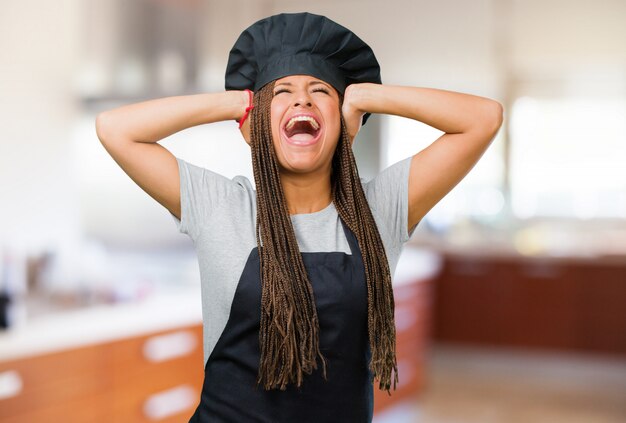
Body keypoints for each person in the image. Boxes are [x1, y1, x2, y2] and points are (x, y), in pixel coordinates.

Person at [96, 12, 503, 423]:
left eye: (320, 91)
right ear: (256, 124)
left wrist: (365, 99)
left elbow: (483, 119)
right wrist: (237, 103)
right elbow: (115, 129)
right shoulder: (221, 206)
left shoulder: (379, 210)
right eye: (283, 92)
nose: (302, 100)